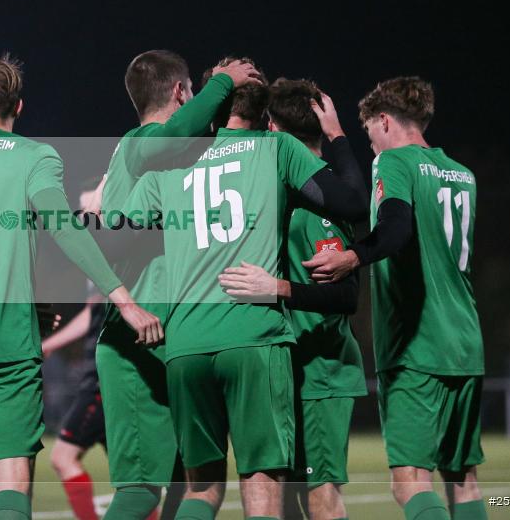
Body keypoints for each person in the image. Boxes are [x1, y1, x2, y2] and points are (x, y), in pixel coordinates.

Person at [0, 52, 161, 520]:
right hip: (4, 341)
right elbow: (65, 228)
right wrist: (125, 299)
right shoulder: (35, 156)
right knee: (12, 481)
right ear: (19, 106)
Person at [123, 70, 367, 520]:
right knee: (264, 492)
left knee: (201, 490)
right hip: (254, 335)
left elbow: (122, 220)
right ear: (265, 118)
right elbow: (353, 202)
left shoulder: (172, 163)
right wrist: (335, 135)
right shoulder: (276, 150)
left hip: (186, 343)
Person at [303, 77, 487, 520]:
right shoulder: (462, 174)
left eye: (368, 135)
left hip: (417, 347)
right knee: (462, 481)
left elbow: (396, 229)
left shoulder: (393, 162)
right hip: (466, 343)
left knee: (409, 484)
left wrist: (353, 257)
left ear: (383, 121)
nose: (370, 148)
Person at [97, 51, 262, 520]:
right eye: (196, 91)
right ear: (180, 93)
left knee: (194, 485)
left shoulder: (173, 160)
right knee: (139, 491)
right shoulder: (143, 141)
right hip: (136, 335)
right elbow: (172, 135)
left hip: (176, 336)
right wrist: (223, 84)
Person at [218, 80, 367, 520]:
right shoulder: (287, 195)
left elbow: (345, 295)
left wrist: (278, 288)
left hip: (320, 372)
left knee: (319, 497)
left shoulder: (312, 209)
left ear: (272, 128)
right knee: (291, 497)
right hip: (289, 369)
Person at [43, 184, 109, 520]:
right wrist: (50, 344)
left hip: (102, 378)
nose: (80, 218)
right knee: (135, 482)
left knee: (62, 457)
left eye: (87, 211)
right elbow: (90, 315)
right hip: (102, 373)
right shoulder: (97, 258)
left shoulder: (113, 256)